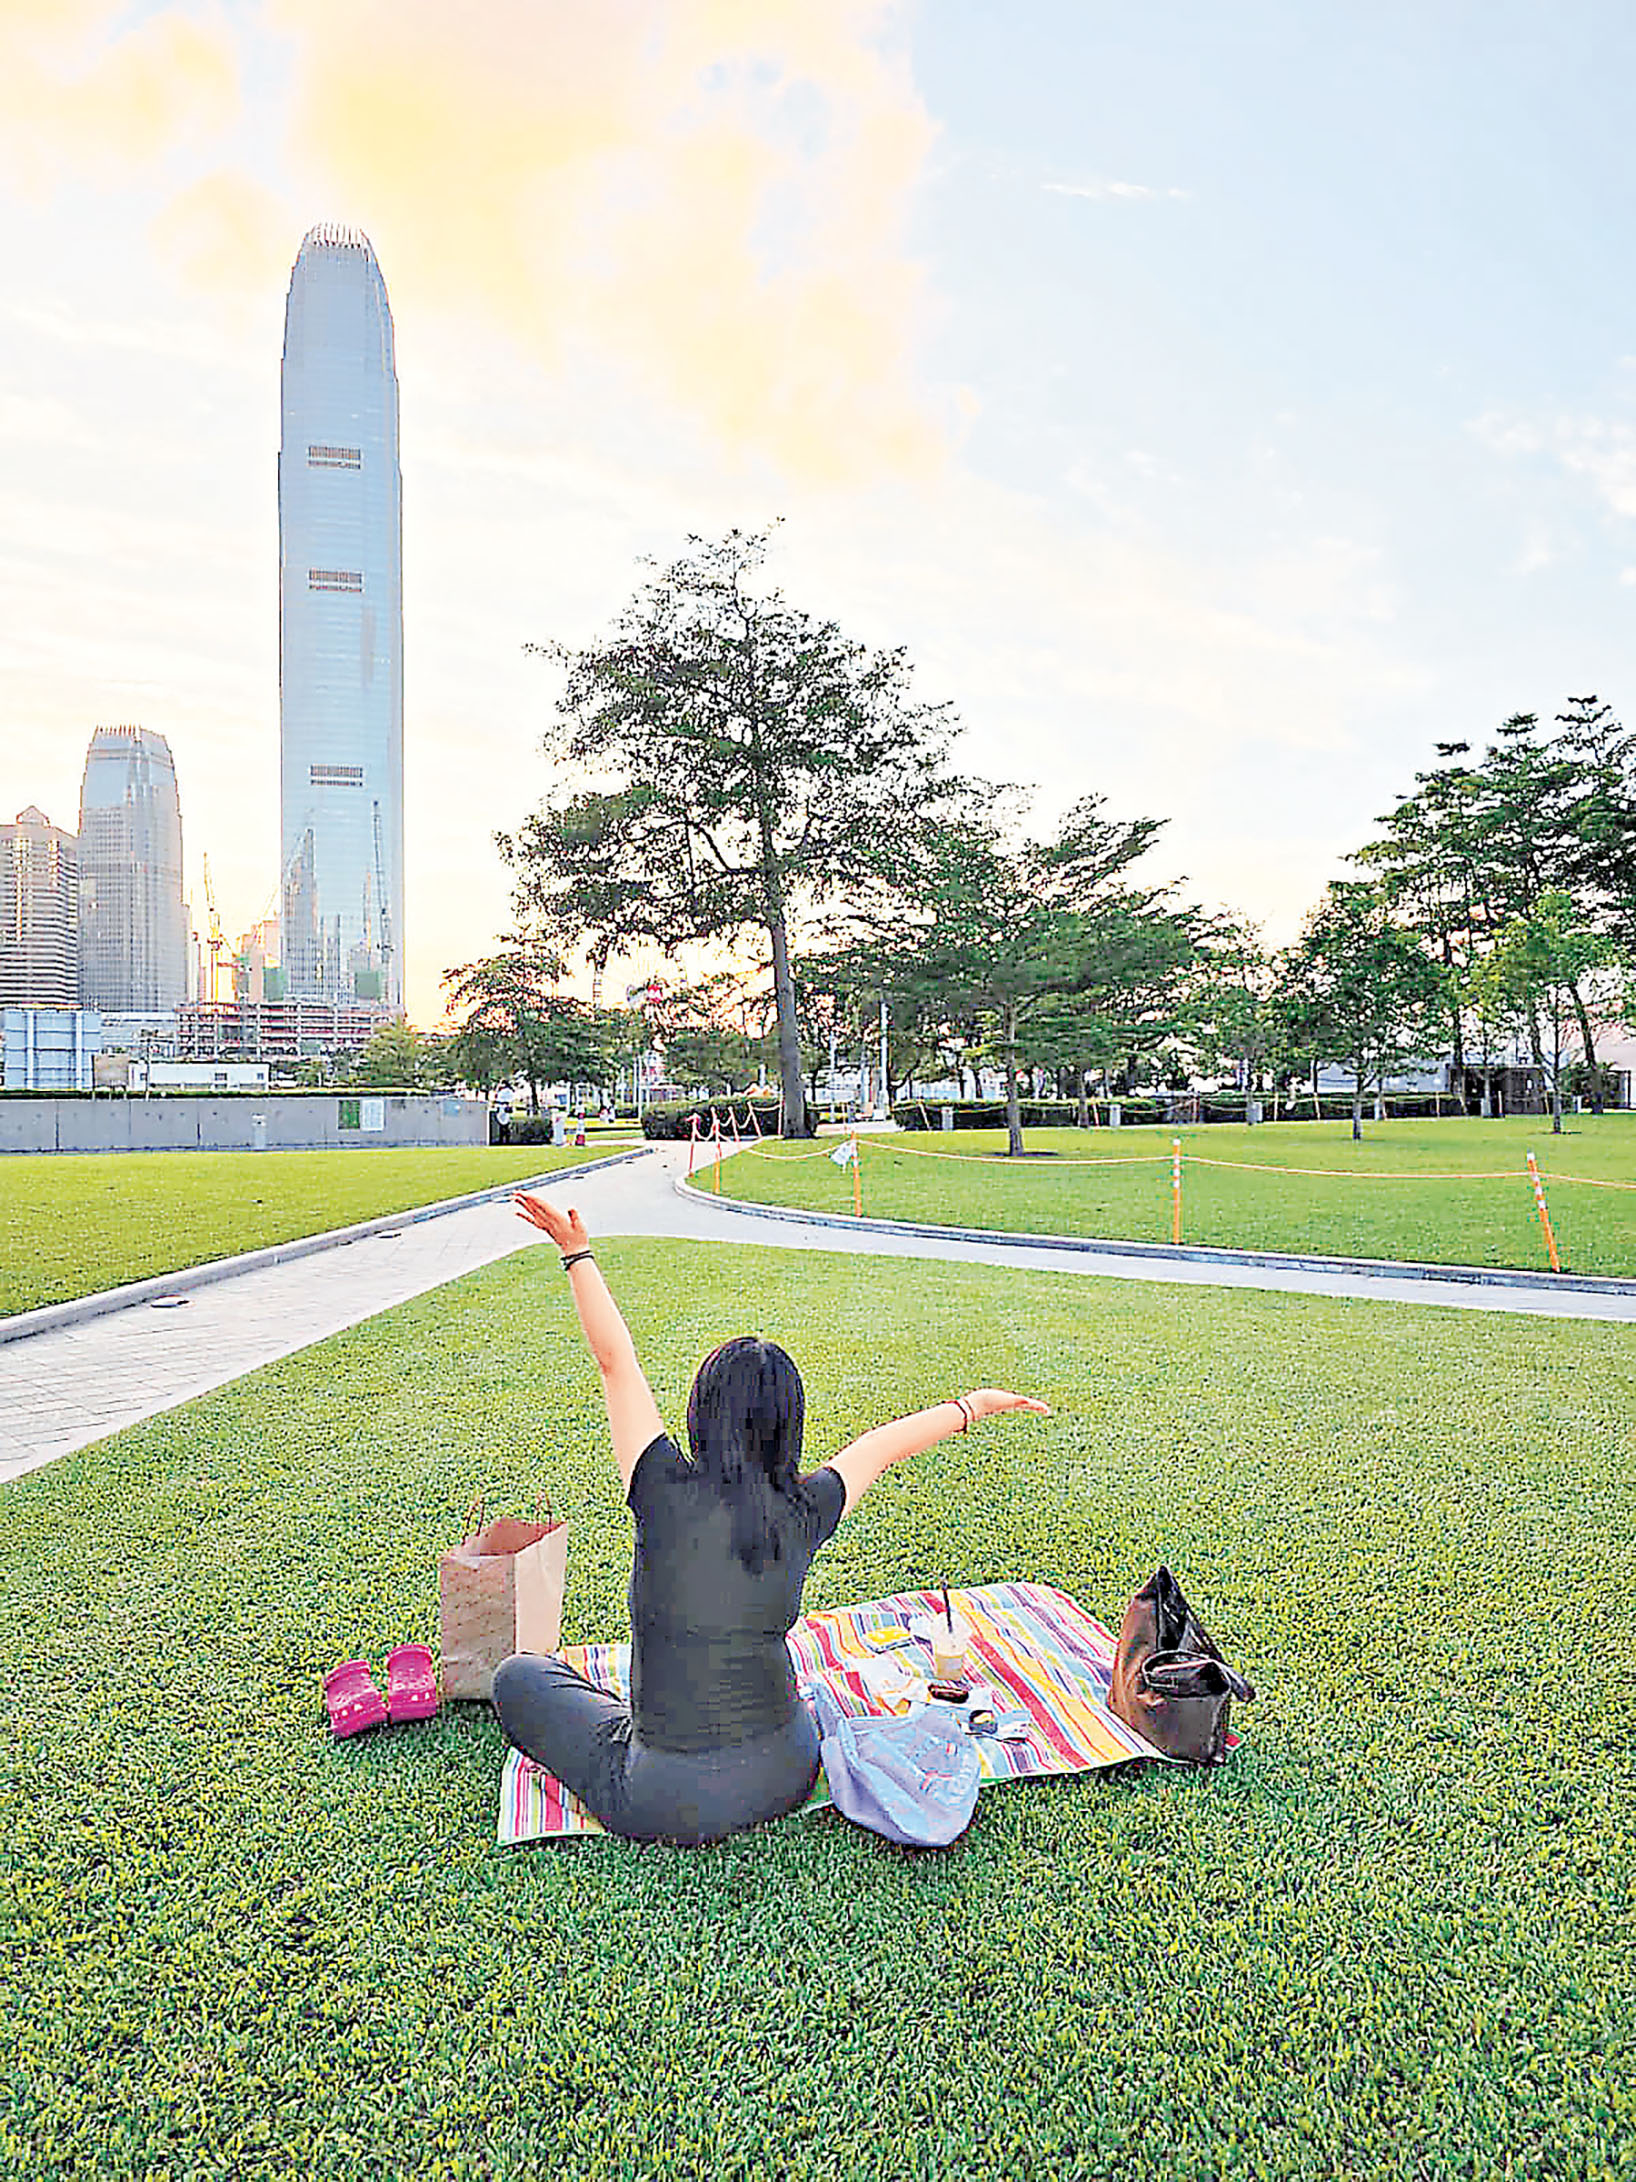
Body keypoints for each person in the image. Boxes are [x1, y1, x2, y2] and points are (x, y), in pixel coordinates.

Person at [492, 1192, 1051, 1847]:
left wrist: (575, 1252)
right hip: (789, 1766)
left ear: (703, 1411)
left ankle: (624, 1724)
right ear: (790, 1426)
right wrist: (973, 1405)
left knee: (520, 1677)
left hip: (664, 1799)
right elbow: (881, 1444)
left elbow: (617, 1363)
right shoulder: (805, 1507)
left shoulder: (661, 1486)